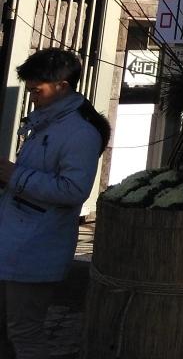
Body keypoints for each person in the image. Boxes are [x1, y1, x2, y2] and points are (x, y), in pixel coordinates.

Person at [0, 49, 109, 359]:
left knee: (25, 332)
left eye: (37, 90)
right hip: (16, 240)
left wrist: (16, 176)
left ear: (62, 86)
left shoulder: (80, 131)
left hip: (37, 246)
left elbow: (74, 190)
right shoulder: (48, 121)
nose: (32, 96)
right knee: (7, 330)